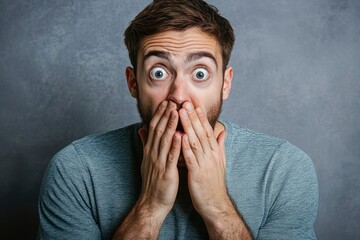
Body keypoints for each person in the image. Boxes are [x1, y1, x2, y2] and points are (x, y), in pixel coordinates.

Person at [37, 0, 318, 239]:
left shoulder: (284, 169)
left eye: (200, 73)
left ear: (225, 84)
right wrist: (150, 206)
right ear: (133, 83)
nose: (179, 95)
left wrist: (218, 208)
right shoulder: (75, 170)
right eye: (159, 72)